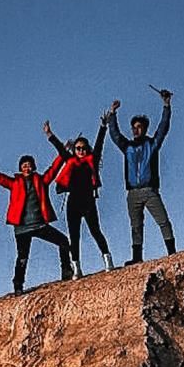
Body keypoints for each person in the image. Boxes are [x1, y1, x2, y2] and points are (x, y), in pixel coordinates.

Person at [0, 150, 73, 293]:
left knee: (63, 241)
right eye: (24, 166)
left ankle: (67, 271)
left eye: (29, 165)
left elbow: (54, 169)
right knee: (23, 257)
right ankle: (18, 285)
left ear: (34, 167)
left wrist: (63, 153)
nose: (27, 168)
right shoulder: (14, 183)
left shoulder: (41, 181)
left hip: (39, 224)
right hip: (22, 227)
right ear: (20, 168)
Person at [106, 91, 176, 262]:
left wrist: (166, 105)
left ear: (145, 129)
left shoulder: (152, 144)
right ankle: (137, 258)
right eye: (134, 127)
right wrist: (112, 114)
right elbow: (115, 135)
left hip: (150, 190)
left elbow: (163, 128)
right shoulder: (128, 147)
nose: (135, 130)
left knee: (163, 221)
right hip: (133, 193)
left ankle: (173, 254)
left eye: (139, 127)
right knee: (136, 226)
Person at [43, 117, 113, 275]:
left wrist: (103, 126)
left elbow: (100, 144)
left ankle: (108, 260)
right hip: (73, 203)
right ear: (74, 150)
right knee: (74, 236)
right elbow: (60, 150)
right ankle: (77, 268)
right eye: (78, 148)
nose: (81, 151)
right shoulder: (71, 161)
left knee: (96, 231)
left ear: (87, 149)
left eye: (83, 148)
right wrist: (49, 135)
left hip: (88, 202)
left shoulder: (92, 161)